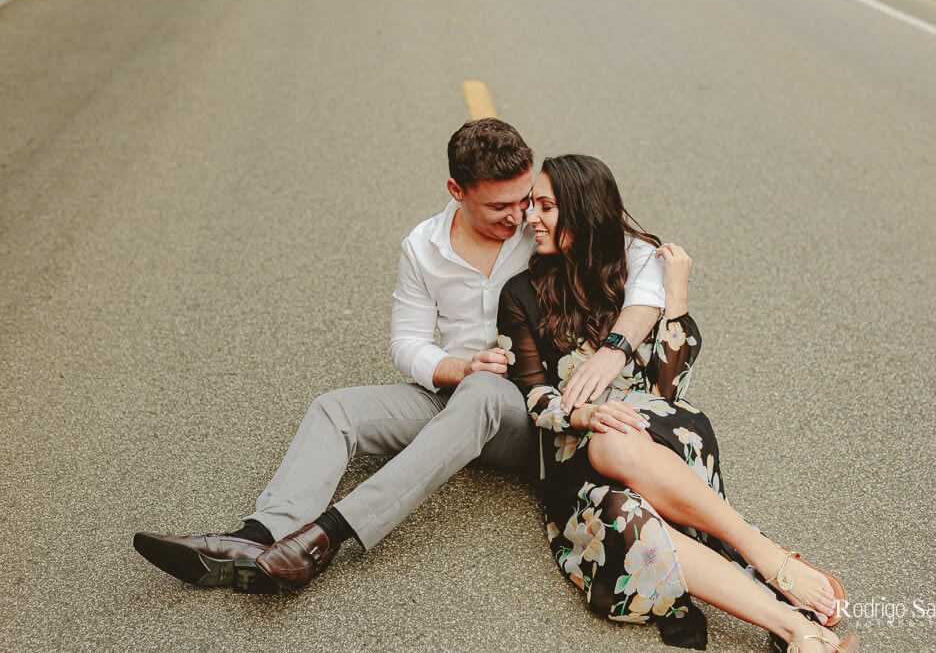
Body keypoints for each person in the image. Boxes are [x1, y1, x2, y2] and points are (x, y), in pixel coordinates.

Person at [132, 119, 666, 594]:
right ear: (457, 191)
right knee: (335, 409)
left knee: (483, 392)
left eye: (524, 199)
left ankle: (324, 540)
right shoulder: (422, 246)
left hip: (534, 410)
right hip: (457, 390)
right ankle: (258, 537)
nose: (518, 216)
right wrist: (459, 367)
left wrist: (613, 351)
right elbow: (406, 342)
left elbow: (644, 262)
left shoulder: (543, 225)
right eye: (499, 206)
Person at [497, 154, 859, 652]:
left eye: (545, 206)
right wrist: (583, 413)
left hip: (658, 433)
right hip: (576, 449)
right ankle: (796, 626)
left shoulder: (631, 281)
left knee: (618, 441)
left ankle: (765, 558)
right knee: (627, 513)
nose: (530, 218)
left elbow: (666, 391)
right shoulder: (520, 293)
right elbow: (532, 391)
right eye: (533, 205)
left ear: (581, 213)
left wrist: (678, 297)